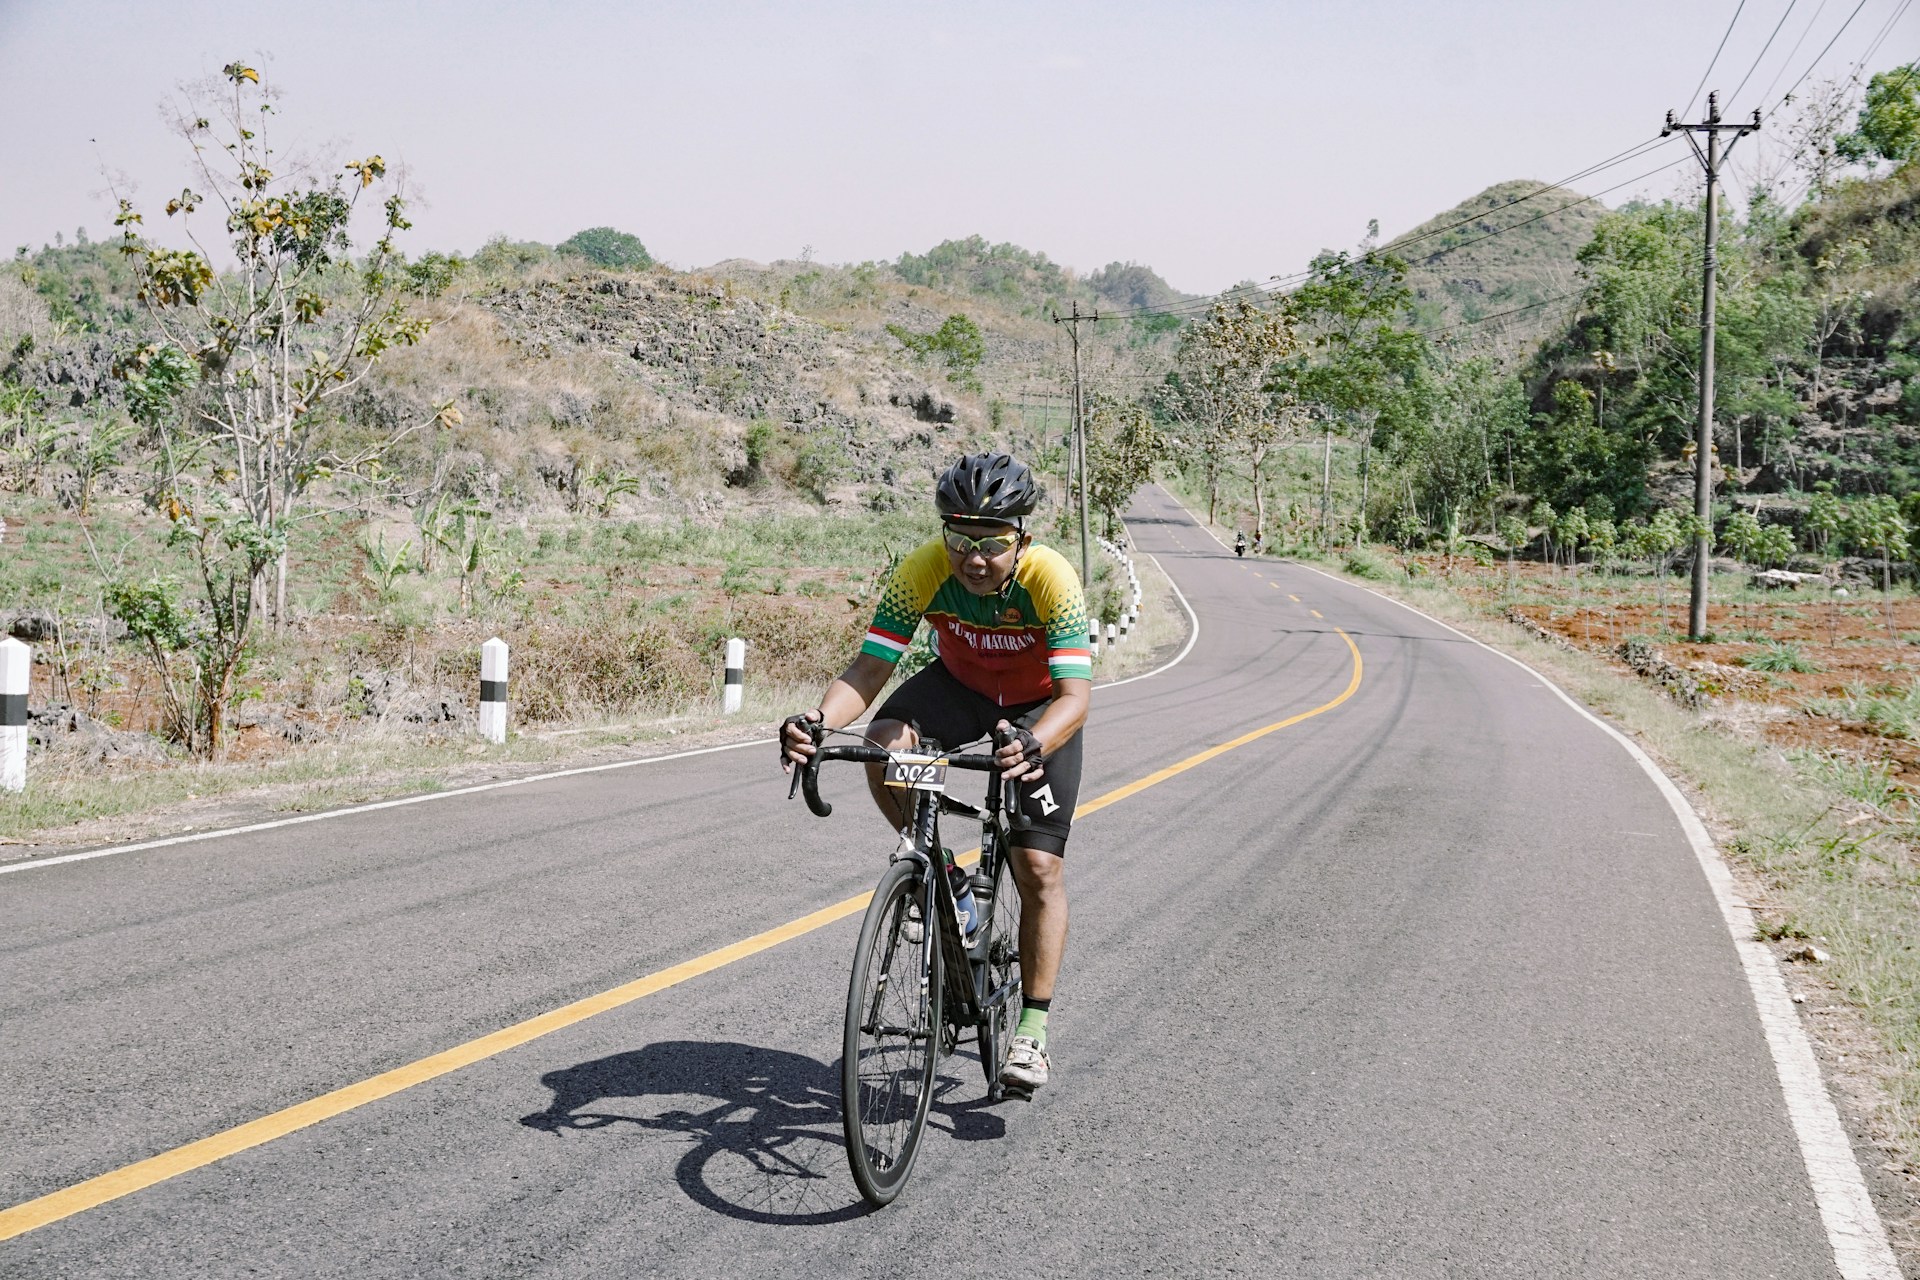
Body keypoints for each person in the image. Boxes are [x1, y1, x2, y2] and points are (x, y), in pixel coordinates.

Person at [781, 452, 1090, 1093]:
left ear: (1021, 540)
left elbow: (1076, 698)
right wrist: (816, 718)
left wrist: (1034, 744)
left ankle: (1031, 1031)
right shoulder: (922, 570)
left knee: (1038, 867)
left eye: (992, 545)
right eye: (960, 541)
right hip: (960, 688)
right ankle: (943, 875)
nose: (974, 559)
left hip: (1039, 706)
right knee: (886, 742)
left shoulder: (1051, 578)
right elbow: (870, 670)